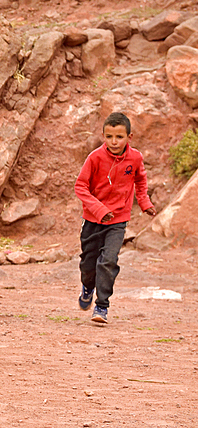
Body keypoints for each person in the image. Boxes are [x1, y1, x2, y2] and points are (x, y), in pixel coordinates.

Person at [74, 111, 156, 325]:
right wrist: (99, 209)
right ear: (103, 136)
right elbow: (80, 187)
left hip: (118, 220)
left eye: (119, 137)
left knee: (109, 261)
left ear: (130, 137)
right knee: (88, 264)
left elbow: (140, 180)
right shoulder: (94, 158)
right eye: (109, 136)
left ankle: (102, 307)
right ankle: (87, 287)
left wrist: (144, 202)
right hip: (92, 220)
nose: (114, 141)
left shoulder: (135, 158)